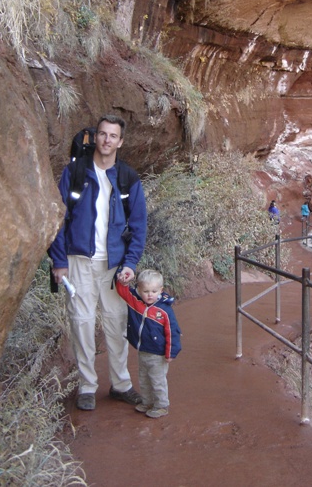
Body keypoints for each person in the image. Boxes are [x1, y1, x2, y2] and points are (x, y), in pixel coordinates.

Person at [48, 115, 147, 411]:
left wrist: (130, 263)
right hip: (78, 261)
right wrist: (59, 261)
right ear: (96, 137)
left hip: (114, 266)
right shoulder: (75, 172)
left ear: (120, 141)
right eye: (102, 134)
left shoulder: (128, 178)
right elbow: (58, 218)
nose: (106, 140)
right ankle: (87, 386)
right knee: (81, 322)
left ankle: (121, 384)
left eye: (112, 136)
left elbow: (139, 225)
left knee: (117, 324)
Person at [116, 269, 181, 418]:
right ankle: (147, 402)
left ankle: (161, 405)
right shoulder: (136, 303)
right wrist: (122, 279)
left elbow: (173, 332)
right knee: (144, 379)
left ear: (161, 290)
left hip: (158, 354)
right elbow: (123, 292)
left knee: (157, 381)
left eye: (153, 291)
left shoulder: (164, 311)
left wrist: (171, 353)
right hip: (143, 351)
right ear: (138, 289)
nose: (150, 295)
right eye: (145, 291)